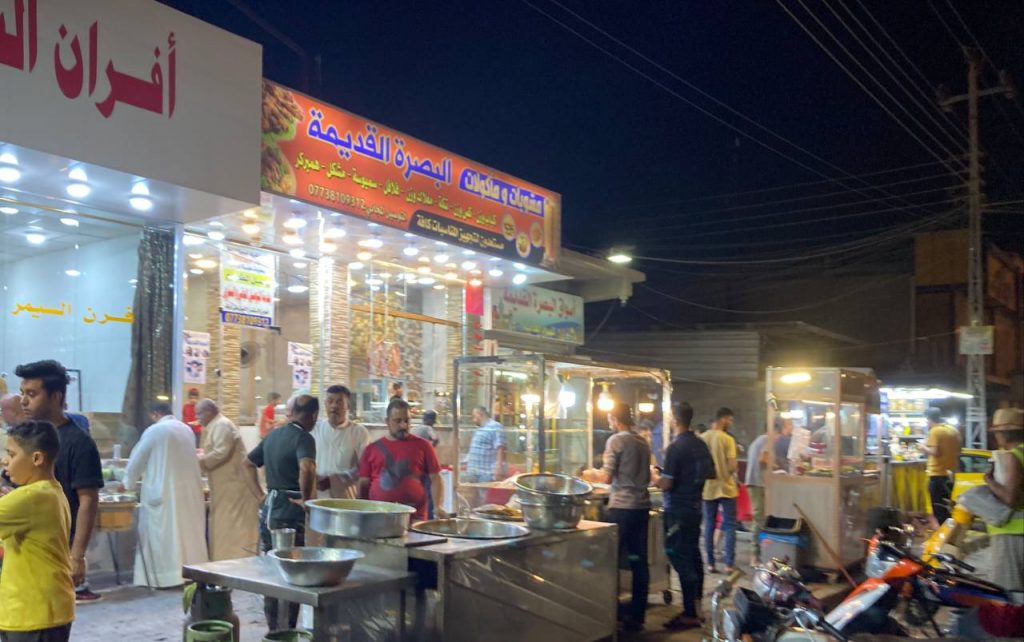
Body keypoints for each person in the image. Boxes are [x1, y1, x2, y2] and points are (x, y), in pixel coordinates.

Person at [16, 360, 104, 604]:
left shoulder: (79, 443)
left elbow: (88, 501)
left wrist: (77, 556)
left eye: (32, 394)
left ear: (55, 397)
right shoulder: (26, 436)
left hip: (55, 550)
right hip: (21, 545)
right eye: (22, 393)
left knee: (48, 616)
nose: (23, 401)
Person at [246, 394, 318, 630]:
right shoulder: (304, 438)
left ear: (292, 412)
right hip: (290, 513)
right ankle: (288, 631)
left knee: (271, 571)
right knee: (292, 573)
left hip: (269, 510)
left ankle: (273, 631)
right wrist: (306, 500)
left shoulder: (273, 435)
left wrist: (259, 494)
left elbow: (247, 463)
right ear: (313, 415)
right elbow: (307, 468)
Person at [0, 421, 75, 642]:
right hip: (41, 609)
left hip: (34, 613)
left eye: (11, 455)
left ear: (37, 458)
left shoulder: (30, 497)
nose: (5, 461)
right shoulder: (51, 491)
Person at [123, 402, 208, 587]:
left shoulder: (155, 430)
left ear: (155, 414)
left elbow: (137, 459)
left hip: (163, 493)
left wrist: (127, 484)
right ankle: (189, 573)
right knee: (185, 536)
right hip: (187, 493)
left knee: (165, 538)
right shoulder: (186, 430)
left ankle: (165, 577)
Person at [583, 403, 652, 632]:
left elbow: (606, 477)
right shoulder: (642, 441)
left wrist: (589, 474)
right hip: (641, 508)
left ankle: (609, 615)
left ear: (615, 418)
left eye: (610, 419)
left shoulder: (616, 441)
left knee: (610, 561)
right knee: (638, 562)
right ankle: (637, 616)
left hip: (622, 508)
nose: (609, 422)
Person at [655, 402, 715, 631]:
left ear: (675, 419)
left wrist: (655, 478)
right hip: (695, 508)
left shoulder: (676, 447)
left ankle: (690, 613)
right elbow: (711, 472)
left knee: (679, 557)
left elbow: (667, 483)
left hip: (677, 511)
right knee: (693, 556)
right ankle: (697, 608)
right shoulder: (700, 444)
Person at [196, 399, 261, 561]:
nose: (198, 418)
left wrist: (197, 462)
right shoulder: (217, 425)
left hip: (235, 488)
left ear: (209, 412)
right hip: (225, 489)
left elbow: (220, 452)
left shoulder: (222, 425)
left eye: (199, 414)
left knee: (235, 529)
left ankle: (234, 564)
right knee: (225, 527)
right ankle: (224, 562)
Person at [358, 398, 444, 521]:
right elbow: (363, 484)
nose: (403, 425)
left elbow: (435, 478)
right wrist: (361, 514)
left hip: (415, 517)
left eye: (407, 420)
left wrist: (437, 506)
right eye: (398, 421)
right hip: (378, 517)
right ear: (387, 421)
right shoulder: (371, 449)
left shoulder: (424, 446)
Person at [985, 407, 1023, 592]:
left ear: (1004, 434)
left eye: (996, 433)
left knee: (1009, 595)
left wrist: (989, 480)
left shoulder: (1013, 456)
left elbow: (1009, 497)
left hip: (1012, 534)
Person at [312, 385, 369, 500]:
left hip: (345, 499)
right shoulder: (314, 430)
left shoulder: (359, 432)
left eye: (339, 402)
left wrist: (335, 480)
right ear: (325, 404)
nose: (334, 406)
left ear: (348, 405)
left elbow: (364, 467)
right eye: (330, 401)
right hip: (316, 498)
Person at [702, 407, 739, 574]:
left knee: (709, 524)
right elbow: (732, 466)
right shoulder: (727, 439)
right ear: (723, 419)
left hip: (708, 488)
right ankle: (729, 564)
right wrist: (729, 470)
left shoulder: (702, 438)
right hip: (726, 487)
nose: (731, 423)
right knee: (730, 525)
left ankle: (710, 563)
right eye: (730, 420)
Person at [918, 407, 961, 525]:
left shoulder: (935, 431)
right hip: (950, 475)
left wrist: (923, 448)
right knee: (946, 508)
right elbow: (959, 451)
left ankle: (944, 533)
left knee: (939, 510)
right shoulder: (953, 430)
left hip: (937, 475)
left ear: (928, 419)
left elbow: (936, 452)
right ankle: (949, 532)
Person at [745, 424, 774, 566]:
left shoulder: (757, 440)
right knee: (759, 519)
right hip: (757, 483)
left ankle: (760, 554)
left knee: (759, 518)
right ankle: (755, 556)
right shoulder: (767, 439)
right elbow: (763, 459)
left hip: (754, 482)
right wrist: (774, 466)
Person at [465, 406, 507, 483]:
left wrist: (499, 467)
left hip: (486, 472)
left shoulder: (495, 426)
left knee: (484, 490)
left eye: (474, 416)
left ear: (479, 414)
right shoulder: (478, 428)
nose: (473, 419)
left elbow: (500, 448)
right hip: (473, 470)